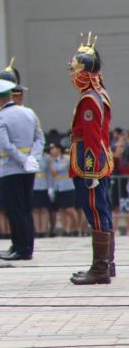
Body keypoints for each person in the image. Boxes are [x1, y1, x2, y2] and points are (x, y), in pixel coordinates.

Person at [67, 33, 115, 285]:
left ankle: (100, 269)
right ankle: (107, 263)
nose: (73, 74)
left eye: (75, 69)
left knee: (96, 212)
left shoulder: (89, 98)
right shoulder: (99, 93)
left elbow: (92, 138)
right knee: (102, 210)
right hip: (99, 160)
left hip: (91, 163)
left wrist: (90, 172)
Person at [0, 78, 44, 261]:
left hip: (11, 168)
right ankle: (26, 246)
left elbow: (5, 144)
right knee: (26, 208)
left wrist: (22, 159)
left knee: (15, 210)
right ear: (11, 95)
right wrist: (32, 158)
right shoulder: (29, 112)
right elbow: (39, 139)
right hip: (29, 168)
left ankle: (20, 248)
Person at [48, 143, 76, 236]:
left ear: (59, 149)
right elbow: (52, 174)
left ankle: (75, 227)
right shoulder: (51, 161)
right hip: (58, 187)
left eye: (54, 148)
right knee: (61, 210)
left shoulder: (67, 159)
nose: (52, 151)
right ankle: (66, 229)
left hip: (68, 186)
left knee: (69, 209)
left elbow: (61, 168)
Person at [31, 148, 53, 237]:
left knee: (44, 209)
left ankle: (43, 230)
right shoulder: (30, 156)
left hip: (44, 185)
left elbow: (50, 173)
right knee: (35, 209)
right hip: (33, 185)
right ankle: (37, 230)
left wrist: (50, 187)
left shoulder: (47, 158)